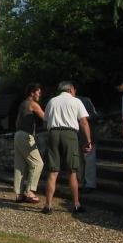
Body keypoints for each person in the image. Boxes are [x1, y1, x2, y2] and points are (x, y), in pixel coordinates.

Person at [41, 81, 92, 214]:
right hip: (70, 134)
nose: (75, 91)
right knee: (72, 171)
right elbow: (84, 122)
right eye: (74, 89)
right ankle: (76, 204)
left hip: (53, 133)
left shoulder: (52, 101)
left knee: (53, 171)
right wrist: (88, 141)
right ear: (70, 90)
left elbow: (45, 121)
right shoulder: (76, 101)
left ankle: (48, 205)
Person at [13, 83, 45, 204]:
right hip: (26, 136)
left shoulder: (22, 104)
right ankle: (29, 191)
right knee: (38, 163)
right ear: (32, 92)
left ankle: (19, 194)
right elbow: (45, 117)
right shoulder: (33, 104)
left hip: (17, 134)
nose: (40, 95)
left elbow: (17, 121)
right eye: (38, 92)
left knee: (20, 166)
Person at [76, 91, 99, 193]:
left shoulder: (85, 100)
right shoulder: (84, 100)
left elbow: (94, 116)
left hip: (86, 134)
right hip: (78, 134)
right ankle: (83, 183)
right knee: (81, 161)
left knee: (87, 160)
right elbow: (95, 115)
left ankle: (88, 183)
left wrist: (82, 117)